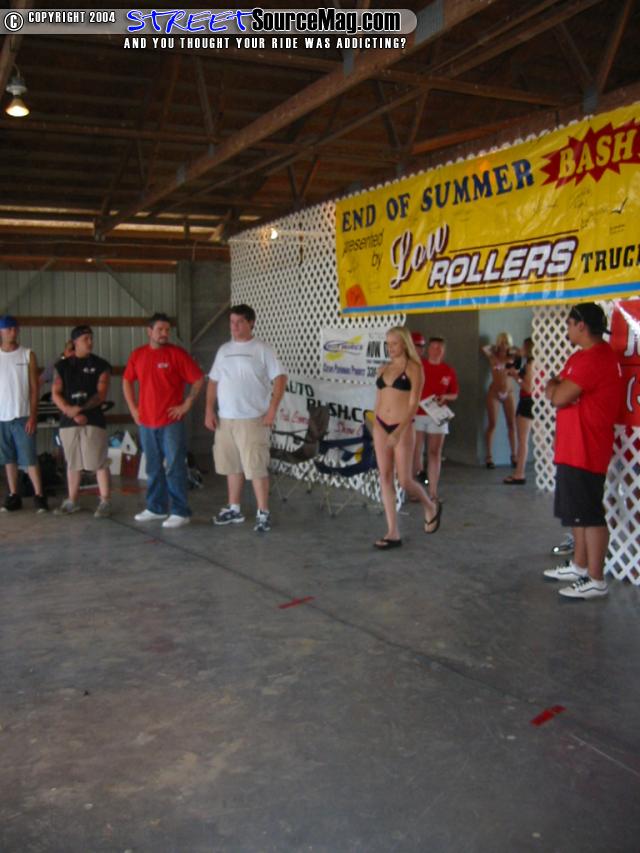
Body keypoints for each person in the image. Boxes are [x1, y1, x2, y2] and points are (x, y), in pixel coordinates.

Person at [543, 303, 623, 599]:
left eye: (568, 323)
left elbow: (558, 395)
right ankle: (579, 566)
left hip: (587, 447)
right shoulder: (580, 357)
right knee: (577, 514)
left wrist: (559, 389)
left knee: (590, 514)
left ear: (581, 325)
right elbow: (557, 389)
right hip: (572, 446)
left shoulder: (596, 358)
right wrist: (558, 388)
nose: (566, 329)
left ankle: (596, 578)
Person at [205, 304, 287, 533]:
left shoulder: (262, 349)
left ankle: (263, 512)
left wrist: (272, 409)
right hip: (225, 419)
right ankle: (234, 508)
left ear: (251, 322)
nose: (235, 326)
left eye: (240, 322)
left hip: (253, 419)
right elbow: (213, 381)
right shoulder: (223, 350)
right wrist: (209, 410)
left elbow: (280, 378)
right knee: (232, 466)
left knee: (256, 467)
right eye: (232, 322)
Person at [123, 313, 204, 529]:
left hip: (170, 422)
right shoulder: (138, 355)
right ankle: (156, 508)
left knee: (174, 466)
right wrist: (133, 409)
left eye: (167, 330)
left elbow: (198, 379)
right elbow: (127, 380)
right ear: (149, 331)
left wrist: (187, 403)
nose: (164, 333)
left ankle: (180, 511)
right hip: (146, 422)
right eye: (160, 329)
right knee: (152, 467)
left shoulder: (177, 354)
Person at [373, 326, 440, 549]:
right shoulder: (383, 369)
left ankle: (430, 505)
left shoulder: (414, 368)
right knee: (384, 476)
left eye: (394, 343)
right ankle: (393, 531)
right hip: (380, 425)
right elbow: (379, 400)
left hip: (402, 426)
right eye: (388, 344)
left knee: (404, 480)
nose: (390, 348)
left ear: (404, 343)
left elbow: (413, 406)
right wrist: (376, 426)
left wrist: (398, 431)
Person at [51, 325, 112, 518]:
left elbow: (101, 395)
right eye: (86, 338)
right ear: (75, 342)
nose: (90, 342)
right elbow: (55, 393)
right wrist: (70, 411)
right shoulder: (62, 366)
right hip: (69, 421)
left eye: (91, 338)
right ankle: (72, 500)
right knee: (73, 463)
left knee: (98, 462)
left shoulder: (101, 365)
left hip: (93, 420)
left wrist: (81, 409)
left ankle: (105, 501)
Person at [0, 314, 48, 513]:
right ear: (1, 331)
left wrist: (33, 415)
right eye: (8, 329)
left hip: (22, 415)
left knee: (29, 458)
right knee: (8, 458)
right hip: (2, 417)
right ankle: (14, 495)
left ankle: (39, 495)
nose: (13, 332)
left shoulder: (28, 354)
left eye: (15, 328)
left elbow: (34, 388)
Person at [414, 336, 459, 501]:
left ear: (443, 350)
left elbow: (454, 393)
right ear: (428, 349)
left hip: (437, 413)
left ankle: (433, 492)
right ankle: (416, 488)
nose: (436, 351)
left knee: (434, 452)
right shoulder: (419, 366)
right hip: (418, 412)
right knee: (416, 450)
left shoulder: (448, 370)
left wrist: (445, 396)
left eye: (439, 348)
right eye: (433, 347)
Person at [482, 331, 518, 468]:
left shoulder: (512, 357)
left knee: (512, 424)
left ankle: (514, 455)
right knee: (492, 424)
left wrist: (512, 348)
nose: (504, 345)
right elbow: (484, 348)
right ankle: (489, 457)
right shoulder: (493, 356)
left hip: (508, 393)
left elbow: (521, 351)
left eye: (506, 342)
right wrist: (495, 347)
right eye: (501, 342)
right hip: (494, 393)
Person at [504, 336, 534, 485]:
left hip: (527, 401)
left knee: (522, 440)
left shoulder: (530, 364)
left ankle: (519, 473)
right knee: (530, 439)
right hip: (534, 401)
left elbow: (528, 387)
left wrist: (516, 376)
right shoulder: (531, 362)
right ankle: (520, 471)